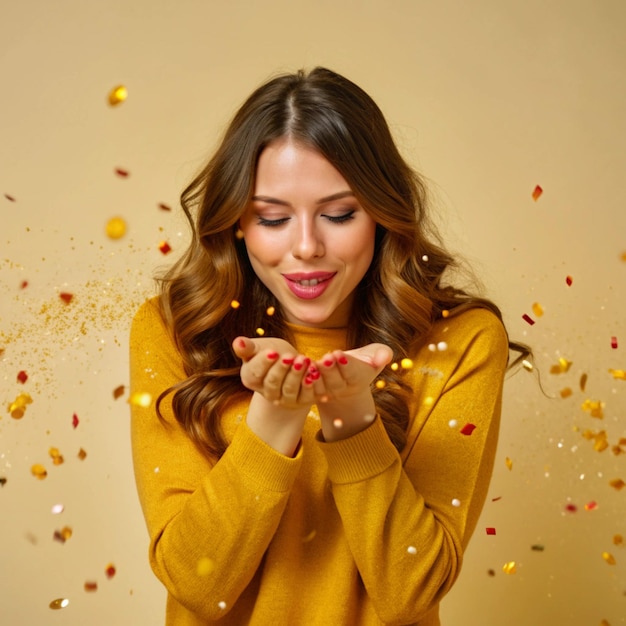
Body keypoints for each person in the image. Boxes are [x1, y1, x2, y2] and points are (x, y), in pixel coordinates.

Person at [129, 67, 529, 626]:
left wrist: (350, 418)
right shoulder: (178, 329)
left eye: (339, 214)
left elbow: (412, 594)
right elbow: (198, 586)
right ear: (238, 222)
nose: (307, 247)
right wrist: (275, 419)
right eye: (272, 218)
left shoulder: (460, 340)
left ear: (382, 215)